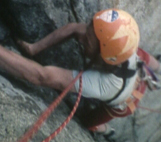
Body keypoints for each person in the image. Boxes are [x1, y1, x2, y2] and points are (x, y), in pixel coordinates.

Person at [0, 8, 161, 139]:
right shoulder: (121, 42)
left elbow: (42, 76)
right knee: (146, 57)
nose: (81, 38)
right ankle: (159, 67)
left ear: (103, 56)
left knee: (89, 121)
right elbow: (74, 28)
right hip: (137, 65)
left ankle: (106, 130)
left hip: (124, 104)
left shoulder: (103, 85)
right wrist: (33, 48)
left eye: (87, 41)